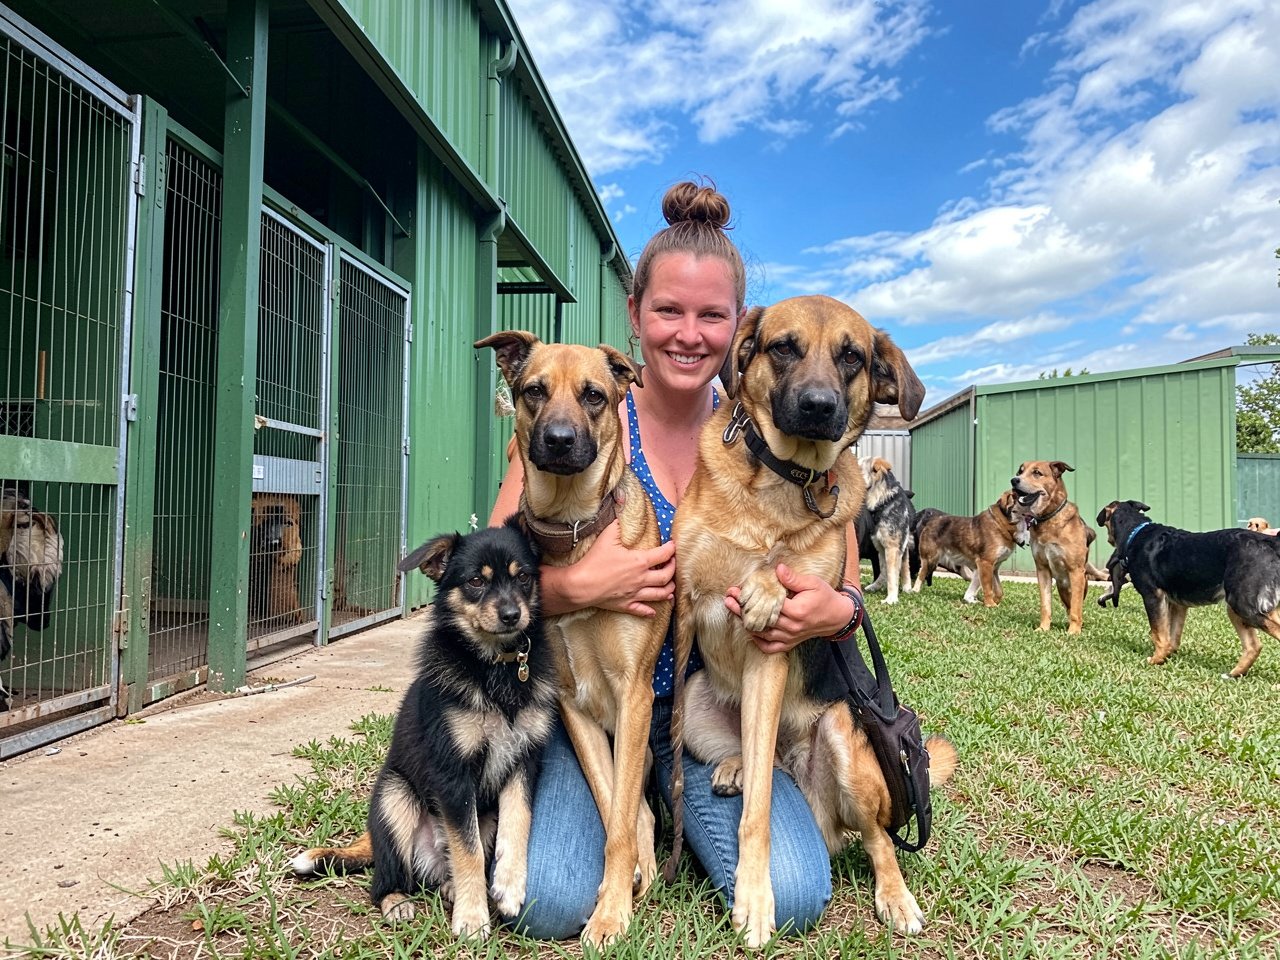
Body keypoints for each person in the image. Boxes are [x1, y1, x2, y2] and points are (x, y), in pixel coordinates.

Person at [487, 180, 863, 939]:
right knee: (552, 900)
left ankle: (681, 818)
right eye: (667, 312)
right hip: (594, 710)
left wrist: (835, 609)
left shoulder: (775, 443)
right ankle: (637, 823)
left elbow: (843, 584)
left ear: (739, 333)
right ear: (635, 316)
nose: (688, 335)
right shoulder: (575, 417)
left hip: (709, 719)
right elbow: (488, 580)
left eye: (711, 317)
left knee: (791, 895)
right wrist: (576, 585)